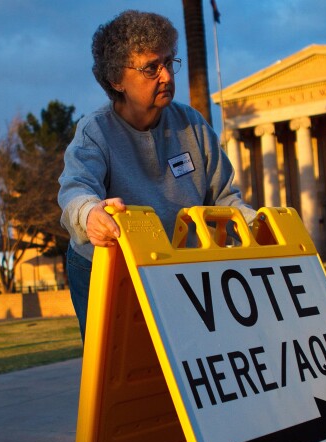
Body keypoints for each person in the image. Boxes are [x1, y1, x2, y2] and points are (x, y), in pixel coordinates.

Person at [58, 9, 255, 339]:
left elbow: (223, 198)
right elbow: (76, 188)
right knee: (117, 368)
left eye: (168, 62)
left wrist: (257, 227)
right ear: (116, 80)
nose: (166, 76)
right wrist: (90, 214)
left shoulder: (192, 125)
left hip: (174, 265)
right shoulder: (95, 132)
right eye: (151, 68)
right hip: (105, 265)